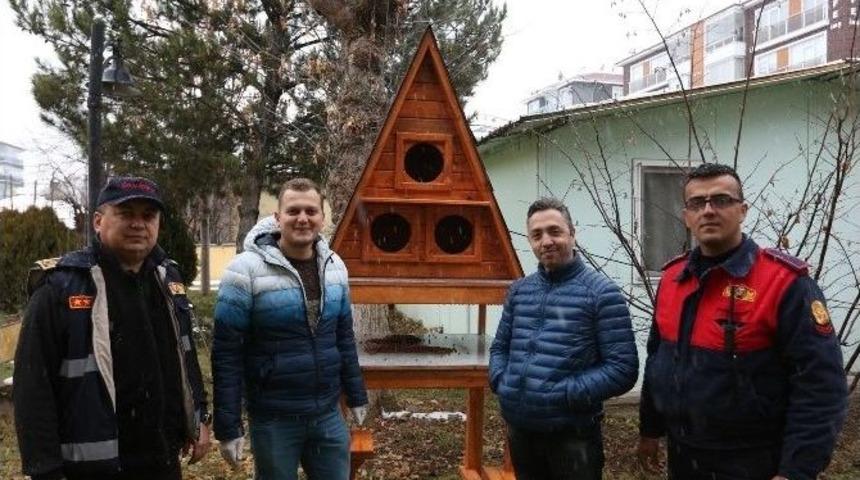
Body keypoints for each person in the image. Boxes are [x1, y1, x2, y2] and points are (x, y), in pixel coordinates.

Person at [637, 163, 848, 480]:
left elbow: (821, 387)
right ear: (686, 216)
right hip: (684, 456)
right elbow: (658, 360)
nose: (708, 211)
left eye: (721, 200)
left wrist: (796, 469)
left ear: (742, 210)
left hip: (753, 461)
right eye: (697, 203)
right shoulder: (672, 280)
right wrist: (650, 428)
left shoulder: (784, 283)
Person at [14, 176, 211, 480]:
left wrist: (198, 417)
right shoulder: (62, 286)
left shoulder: (168, 278)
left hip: (161, 457)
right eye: (126, 213)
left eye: (148, 216)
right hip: (92, 465)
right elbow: (32, 386)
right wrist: (44, 468)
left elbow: (184, 356)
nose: (138, 224)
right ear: (98, 221)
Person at [212, 177, 368, 480]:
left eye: (311, 211)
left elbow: (344, 337)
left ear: (322, 217)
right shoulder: (244, 271)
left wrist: (357, 394)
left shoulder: (335, 267)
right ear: (277, 217)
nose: (302, 218)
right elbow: (226, 354)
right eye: (293, 210)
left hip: (327, 413)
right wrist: (228, 426)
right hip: (274, 418)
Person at [488, 197, 639, 480]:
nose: (546, 241)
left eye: (554, 231)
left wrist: (568, 393)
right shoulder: (520, 291)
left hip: (572, 437)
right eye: (537, 235)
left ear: (572, 234)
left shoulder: (602, 294)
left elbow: (622, 369)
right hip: (521, 431)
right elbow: (500, 348)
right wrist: (501, 380)